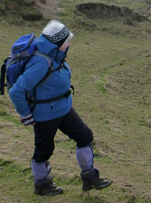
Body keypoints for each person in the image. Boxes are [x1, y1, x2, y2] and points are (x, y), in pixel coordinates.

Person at [9, 20, 112, 196]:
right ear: (57, 44)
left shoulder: (57, 56)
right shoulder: (41, 62)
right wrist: (25, 114)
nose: (69, 45)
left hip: (64, 109)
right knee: (44, 150)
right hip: (44, 115)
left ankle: (89, 177)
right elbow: (17, 91)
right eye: (67, 42)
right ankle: (42, 184)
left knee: (85, 135)